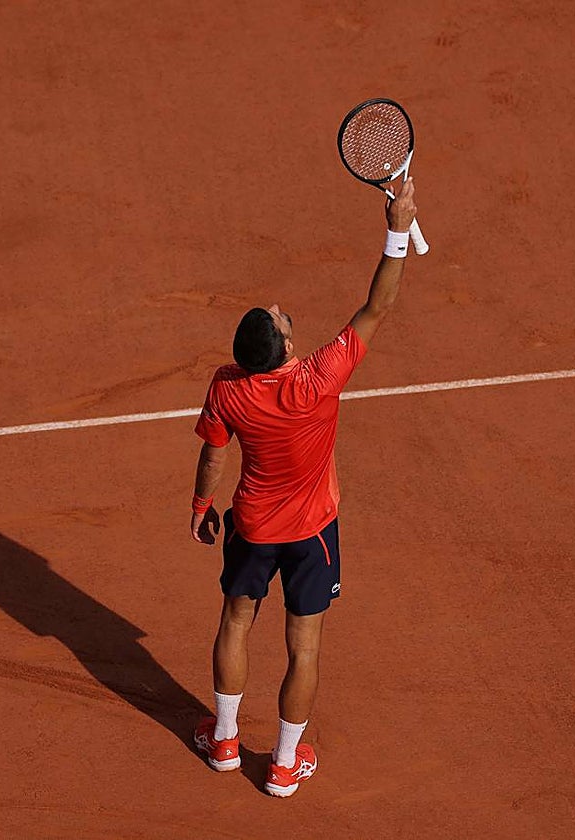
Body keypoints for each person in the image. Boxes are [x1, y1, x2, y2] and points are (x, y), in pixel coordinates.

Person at [188, 180, 418, 797]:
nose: (279, 307)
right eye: (278, 317)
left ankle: (226, 742)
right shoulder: (320, 377)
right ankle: (285, 765)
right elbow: (378, 306)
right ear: (286, 345)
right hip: (313, 533)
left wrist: (202, 506)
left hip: (253, 527)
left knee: (236, 622)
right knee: (304, 647)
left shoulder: (228, 386)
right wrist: (397, 228)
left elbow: (214, 454)